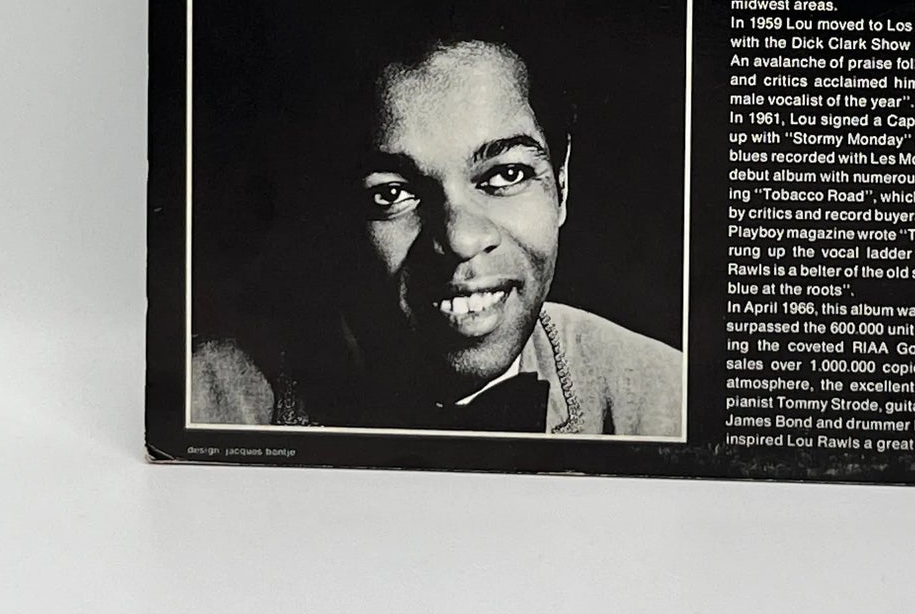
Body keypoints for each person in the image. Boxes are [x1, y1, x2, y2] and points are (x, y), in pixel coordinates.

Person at [192, 37, 683, 437]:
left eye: (507, 174)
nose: (461, 240)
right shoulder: (201, 403)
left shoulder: (669, 399)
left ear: (561, 184)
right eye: (392, 194)